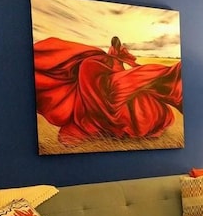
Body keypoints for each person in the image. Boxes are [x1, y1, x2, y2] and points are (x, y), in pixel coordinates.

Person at [33, 36, 182, 145]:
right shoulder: (99, 62)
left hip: (110, 85)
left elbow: (124, 67)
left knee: (127, 88)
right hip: (106, 85)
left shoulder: (108, 60)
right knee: (115, 84)